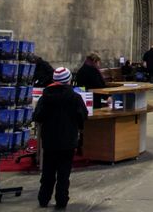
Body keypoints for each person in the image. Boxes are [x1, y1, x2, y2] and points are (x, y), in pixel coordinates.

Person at [33, 67, 88, 209]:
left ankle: (43, 199)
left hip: (50, 139)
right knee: (64, 172)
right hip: (68, 140)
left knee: (48, 171)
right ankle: (61, 200)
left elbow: (38, 116)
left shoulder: (45, 96)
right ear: (68, 80)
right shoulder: (75, 97)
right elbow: (83, 115)